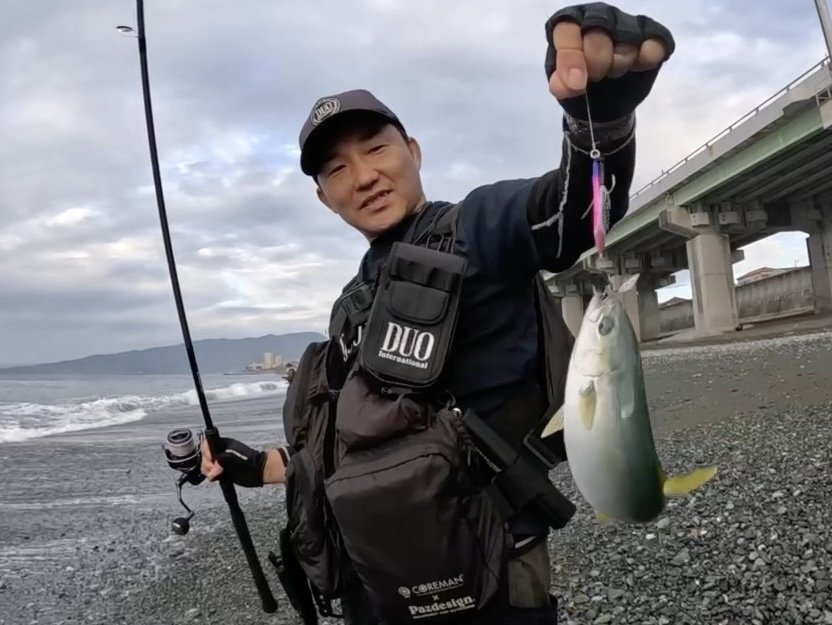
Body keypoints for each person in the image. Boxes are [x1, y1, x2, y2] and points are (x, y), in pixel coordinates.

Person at [199, 3, 674, 623]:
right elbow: (356, 444)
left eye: (376, 149)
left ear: (414, 151)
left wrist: (602, 122)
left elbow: (571, 217)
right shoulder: (351, 304)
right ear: (323, 198)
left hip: (489, 572)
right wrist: (257, 465)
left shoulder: (477, 227)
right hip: (378, 586)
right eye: (338, 169)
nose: (364, 176)